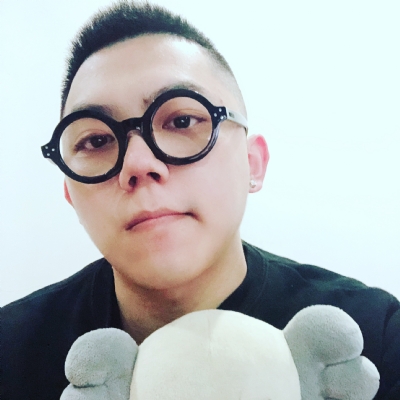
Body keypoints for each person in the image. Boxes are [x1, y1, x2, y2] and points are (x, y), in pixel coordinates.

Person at [2, 2, 399, 399]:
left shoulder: (374, 339)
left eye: (181, 121)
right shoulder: (11, 353)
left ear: (253, 164)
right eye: (96, 140)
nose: (138, 163)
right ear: (70, 195)